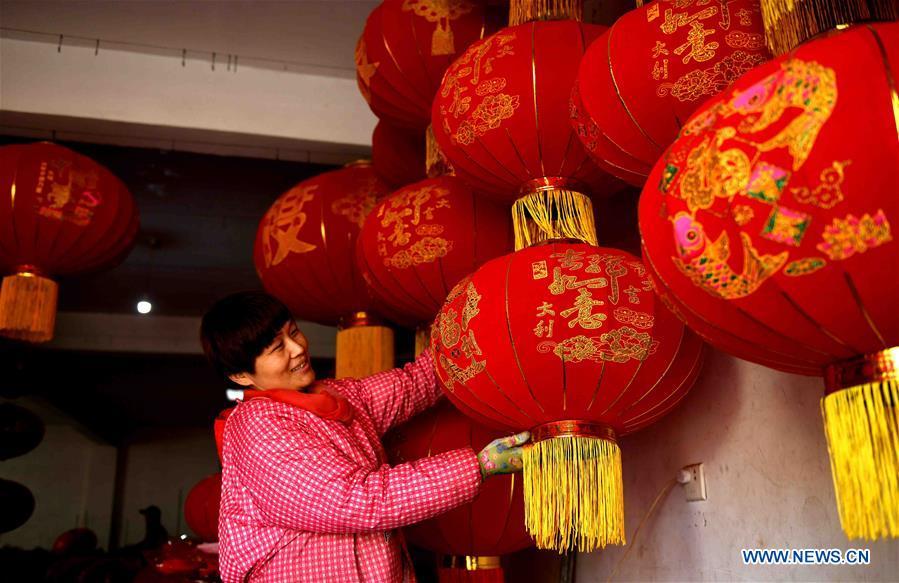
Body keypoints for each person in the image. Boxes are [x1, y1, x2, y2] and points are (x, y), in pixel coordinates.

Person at [200, 291, 528, 583]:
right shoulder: (256, 427)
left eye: (294, 331)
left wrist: (475, 317)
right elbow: (357, 501)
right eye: (277, 347)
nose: (298, 348)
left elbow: (418, 383)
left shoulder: (338, 396)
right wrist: (478, 466)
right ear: (241, 375)